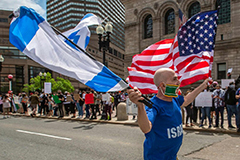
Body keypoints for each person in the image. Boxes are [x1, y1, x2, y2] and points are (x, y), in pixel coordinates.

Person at [127, 68, 210, 160]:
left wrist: (203, 85)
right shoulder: (154, 105)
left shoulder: (175, 99)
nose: (178, 82)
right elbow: (146, 128)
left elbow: (186, 100)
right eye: (174, 79)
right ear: (163, 85)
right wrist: (140, 106)